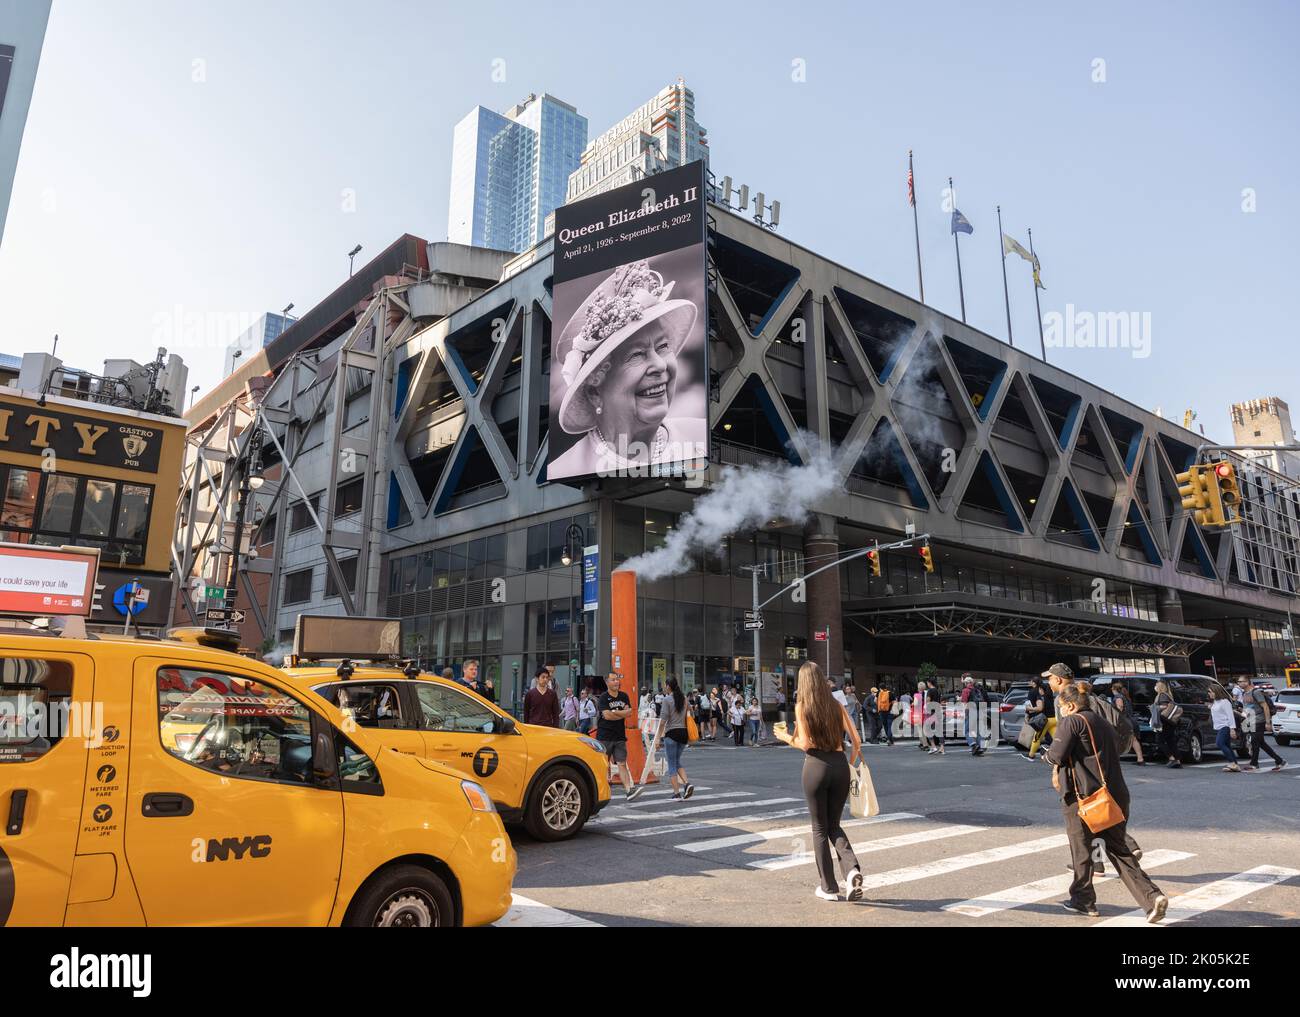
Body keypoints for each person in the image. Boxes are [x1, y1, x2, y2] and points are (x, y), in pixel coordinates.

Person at [548, 259, 707, 479]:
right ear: (595, 392)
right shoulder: (565, 471)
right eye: (636, 355)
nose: (660, 365)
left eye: (662, 347)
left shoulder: (701, 436)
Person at [1046, 684, 1168, 923]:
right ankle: (1152, 898)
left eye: (1061, 707)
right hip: (1114, 794)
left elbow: (1056, 755)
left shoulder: (1072, 722)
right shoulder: (1103, 723)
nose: (1060, 711)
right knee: (1120, 851)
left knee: (1081, 849)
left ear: (1070, 705)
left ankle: (1083, 900)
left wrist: (1045, 754)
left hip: (1085, 796)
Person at [773, 661, 865, 903]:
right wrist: (851, 764)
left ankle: (828, 887)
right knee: (834, 824)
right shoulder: (837, 705)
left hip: (816, 766)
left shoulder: (803, 706)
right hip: (840, 764)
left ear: (803, 683)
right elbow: (856, 740)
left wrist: (784, 737)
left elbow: (804, 743)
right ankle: (852, 870)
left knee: (820, 828)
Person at [596, 674, 644, 801]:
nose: (616, 682)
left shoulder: (624, 696)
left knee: (622, 763)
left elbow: (629, 713)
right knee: (603, 765)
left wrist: (614, 713)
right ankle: (601, 793)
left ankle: (628, 790)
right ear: (607, 682)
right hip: (604, 736)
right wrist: (619, 713)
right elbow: (606, 716)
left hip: (619, 736)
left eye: (617, 679)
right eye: (613, 680)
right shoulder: (603, 698)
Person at [1237, 676, 1287, 772]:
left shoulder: (1256, 692)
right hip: (1251, 720)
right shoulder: (1244, 693)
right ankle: (1280, 761)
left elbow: (1265, 707)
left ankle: (1254, 764)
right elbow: (1247, 708)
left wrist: (1268, 722)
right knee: (1261, 743)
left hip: (1259, 720)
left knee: (1255, 741)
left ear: (1247, 682)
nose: (1239, 683)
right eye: (1238, 682)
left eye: (1241, 681)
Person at [659, 677, 696, 800]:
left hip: (671, 733)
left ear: (669, 686)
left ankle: (676, 793)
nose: (664, 687)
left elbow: (663, 721)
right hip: (683, 734)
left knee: (671, 764)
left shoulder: (667, 700)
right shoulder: (684, 699)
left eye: (665, 685)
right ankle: (687, 784)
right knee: (677, 761)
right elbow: (692, 712)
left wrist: (658, 737)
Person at [1110, 682, 1145, 764]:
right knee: (1133, 740)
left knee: (1128, 739)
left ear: (1114, 689)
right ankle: (1140, 759)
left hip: (1124, 721)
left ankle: (1114, 758)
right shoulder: (1125, 697)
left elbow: (1120, 708)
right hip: (1131, 720)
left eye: (1112, 689)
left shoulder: (1118, 697)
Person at [1023, 675, 1056, 762]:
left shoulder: (1042, 697)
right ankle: (1064, 753)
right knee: (1056, 738)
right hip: (1054, 719)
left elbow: (1040, 708)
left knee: (1037, 738)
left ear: (1042, 690)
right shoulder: (1050, 697)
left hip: (1045, 720)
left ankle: (1031, 756)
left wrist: (1028, 709)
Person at [1151, 680, 1182, 769]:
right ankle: (1178, 760)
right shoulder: (1168, 695)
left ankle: (1172, 759)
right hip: (1170, 722)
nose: (1155, 687)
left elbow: (1165, 707)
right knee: (1171, 741)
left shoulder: (1161, 695)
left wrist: (1154, 707)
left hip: (1164, 721)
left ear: (1159, 687)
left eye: (1156, 685)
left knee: (1159, 741)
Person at [1209, 684, 1240, 772]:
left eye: (1210, 692)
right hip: (1219, 726)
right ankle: (1235, 764)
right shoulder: (1215, 702)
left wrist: (1232, 729)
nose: (1209, 694)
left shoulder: (1225, 701)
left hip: (1225, 726)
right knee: (1227, 745)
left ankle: (1232, 763)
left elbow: (1230, 715)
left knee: (1220, 743)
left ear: (1216, 692)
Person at [959, 675, 987, 756]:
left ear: (966, 683)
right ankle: (980, 748)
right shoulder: (977, 690)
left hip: (971, 712)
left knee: (967, 730)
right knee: (978, 731)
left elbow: (965, 703)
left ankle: (973, 744)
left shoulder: (965, 690)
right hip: (979, 712)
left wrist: (965, 713)